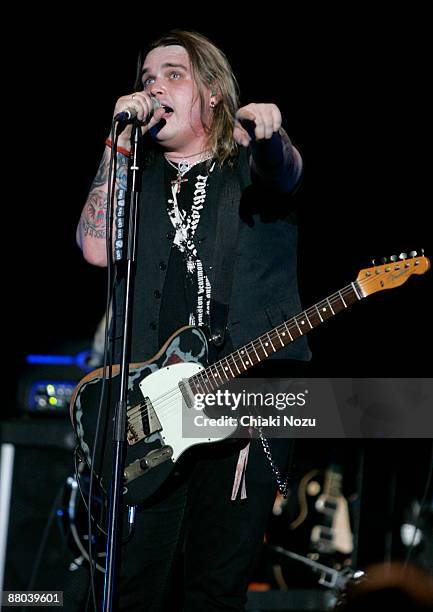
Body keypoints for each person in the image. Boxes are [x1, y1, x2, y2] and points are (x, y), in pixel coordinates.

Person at [76, 29, 311, 612]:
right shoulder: (139, 175)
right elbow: (96, 250)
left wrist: (269, 133)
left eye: (173, 75)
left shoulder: (251, 163)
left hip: (248, 400)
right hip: (159, 406)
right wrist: (118, 141)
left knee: (212, 587)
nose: (155, 87)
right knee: (136, 587)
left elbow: (286, 170)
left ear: (210, 93)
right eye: (148, 78)